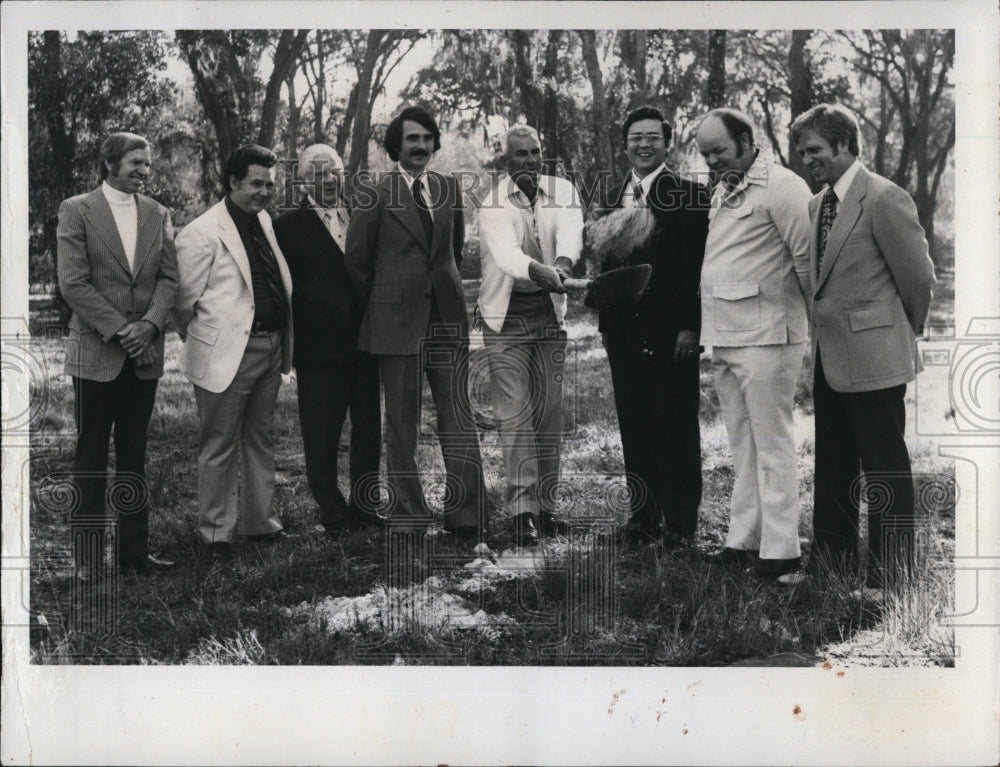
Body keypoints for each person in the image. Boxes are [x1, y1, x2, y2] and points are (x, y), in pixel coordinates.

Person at [792, 103, 935, 589]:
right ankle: (831, 565)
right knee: (832, 465)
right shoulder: (818, 205)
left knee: (884, 467)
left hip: (876, 359)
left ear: (844, 145)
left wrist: (897, 335)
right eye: (801, 152)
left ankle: (892, 574)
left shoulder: (885, 198)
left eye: (814, 150)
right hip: (829, 359)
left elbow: (919, 279)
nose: (806, 160)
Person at [344, 106, 485, 541]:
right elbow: (357, 262)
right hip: (396, 323)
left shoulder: (447, 187)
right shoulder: (375, 192)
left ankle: (466, 517)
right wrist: (387, 304)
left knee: (458, 418)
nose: (421, 145)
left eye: (427, 138)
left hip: (446, 319)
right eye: (411, 139)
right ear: (396, 147)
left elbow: (453, 252)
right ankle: (409, 514)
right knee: (402, 424)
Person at [695, 108, 813, 577]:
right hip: (724, 335)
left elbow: (806, 260)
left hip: (770, 337)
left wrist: (815, 329)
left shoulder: (783, 186)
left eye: (719, 151)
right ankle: (744, 540)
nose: (712, 162)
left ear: (746, 141)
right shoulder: (722, 188)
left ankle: (782, 550)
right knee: (741, 444)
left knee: (773, 443)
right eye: (705, 155)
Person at [57, 131, 178, 579]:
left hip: (143, 353)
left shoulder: (158, 214)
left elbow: (169, 279)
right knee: (90, 456)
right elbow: (73, 283)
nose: (144, 171)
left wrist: (148, 326)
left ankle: (134, 556)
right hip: (96, 353)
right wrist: (120, 328)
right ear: (110, 162)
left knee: (134, 454)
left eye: (148, 164)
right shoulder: (77, 209)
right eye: (136, 163)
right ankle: (88, 562)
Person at [173, 145, 294, 561]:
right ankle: (216, 534)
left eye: (270, 184)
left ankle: (261, 524)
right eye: (256, 183)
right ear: (233, 183)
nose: (265, 192)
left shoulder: (265, 221)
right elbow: (182, 302)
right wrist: (210, 340)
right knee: (220, 443)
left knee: (260, 438)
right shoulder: (201, 232)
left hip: (270, 346)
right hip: (226, 353)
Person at [597, 106, 709, 547]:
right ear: (625, 144)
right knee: (635, 427)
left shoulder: (688, 194)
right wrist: (606, 322)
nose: (644, 145)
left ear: (667, 143)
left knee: (676, 428)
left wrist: (690, 327)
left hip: (670, 334)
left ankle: (680, 527)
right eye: (635, 138)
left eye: (652, 138)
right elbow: (607, 264)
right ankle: (643, 520)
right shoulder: (612, 195)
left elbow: (695, 269)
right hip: (622, 333)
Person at [477, 125, 583, 546]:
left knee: (549, 415)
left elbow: (571, 233)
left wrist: (561, 265)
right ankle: (523, 513)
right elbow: (506, 256)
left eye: (536, 152)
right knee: (515, 414)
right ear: (506, 160)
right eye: (520, 154)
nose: (530, 161)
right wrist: (545, 273)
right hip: (505, 320)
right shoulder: (492, 202)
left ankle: (547, 508)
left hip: (547, 316)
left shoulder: (563, 190)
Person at [273, 144, 381, 534]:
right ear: (303, 181)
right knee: (321, 434)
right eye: (318, 174)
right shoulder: (286, 226)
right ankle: (332, 512)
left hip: (366, 343)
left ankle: (366, 508)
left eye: (334, 171)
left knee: (369, 430)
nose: (329, 179)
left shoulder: (362, 214)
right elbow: (284, 287)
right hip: (319, 348)